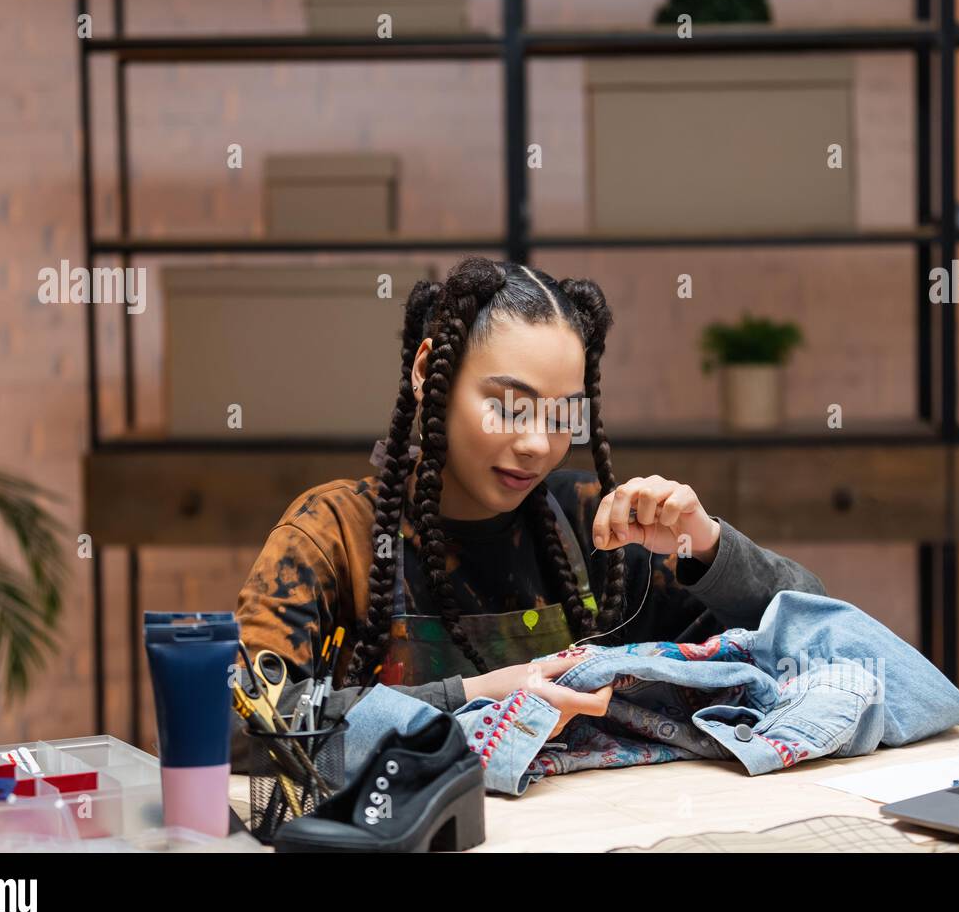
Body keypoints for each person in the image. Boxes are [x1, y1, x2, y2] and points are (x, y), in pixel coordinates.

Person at [231, 256, 824, 767]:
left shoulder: (599, 530)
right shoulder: (334, 535)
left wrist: (709, 547)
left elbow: (821, 644)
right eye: (510, 407)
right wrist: (478, 695)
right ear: (425, 372)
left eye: (562, 415)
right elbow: (232, 727)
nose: (538, 443)